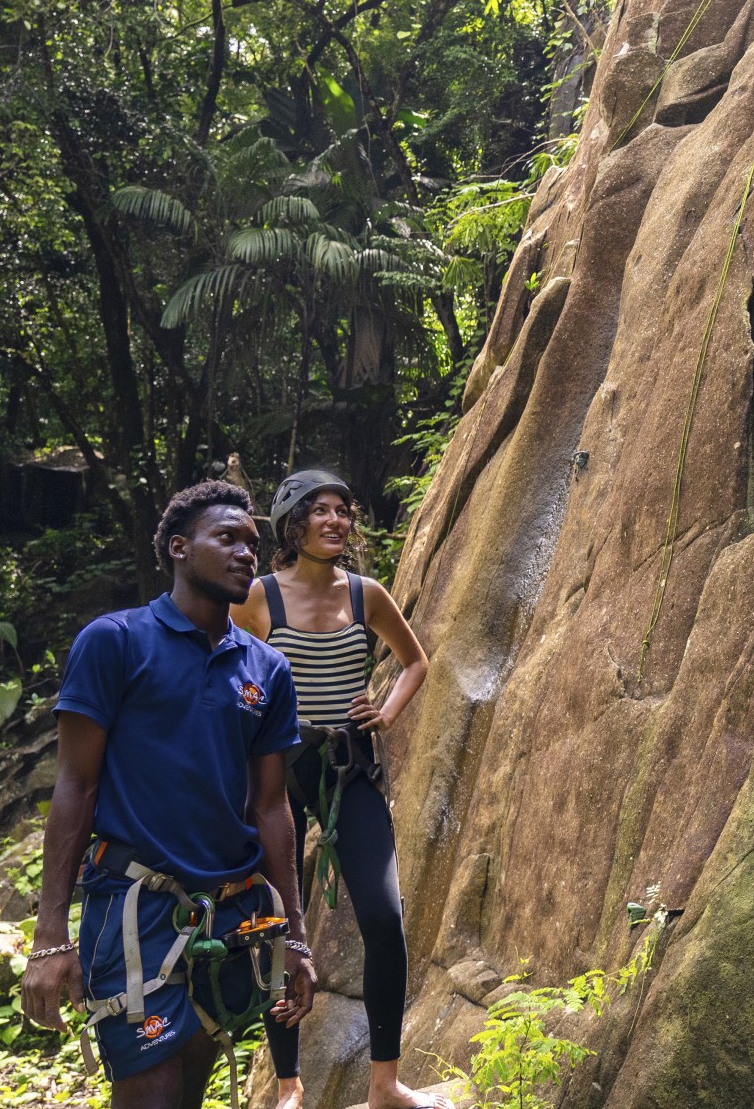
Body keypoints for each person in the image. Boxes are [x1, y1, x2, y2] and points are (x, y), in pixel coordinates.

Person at [21, 480, 317, 1109]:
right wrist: (50, 937)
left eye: (253, 543)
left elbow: (271, 808)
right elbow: (75, 786)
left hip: (229, 914)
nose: (246, 553)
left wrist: (294, 934)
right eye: (227, 537)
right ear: (179, 548)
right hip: (137, 906)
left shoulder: (267, 668)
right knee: (150, 1092)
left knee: (187, 1088)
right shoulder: (116, 641)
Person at [233, 469, 439, 1109]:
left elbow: (416, 661)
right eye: (319, 511)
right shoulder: (261, 598)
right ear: (293, 524)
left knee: (385, 918)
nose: (335, 521)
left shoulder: (366, 593)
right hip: (278, 771)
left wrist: (386, 710)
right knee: (274, 924)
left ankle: (385, 1085)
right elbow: (227, 680)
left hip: (350, 766)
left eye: (344, 511)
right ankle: (289, 1086)